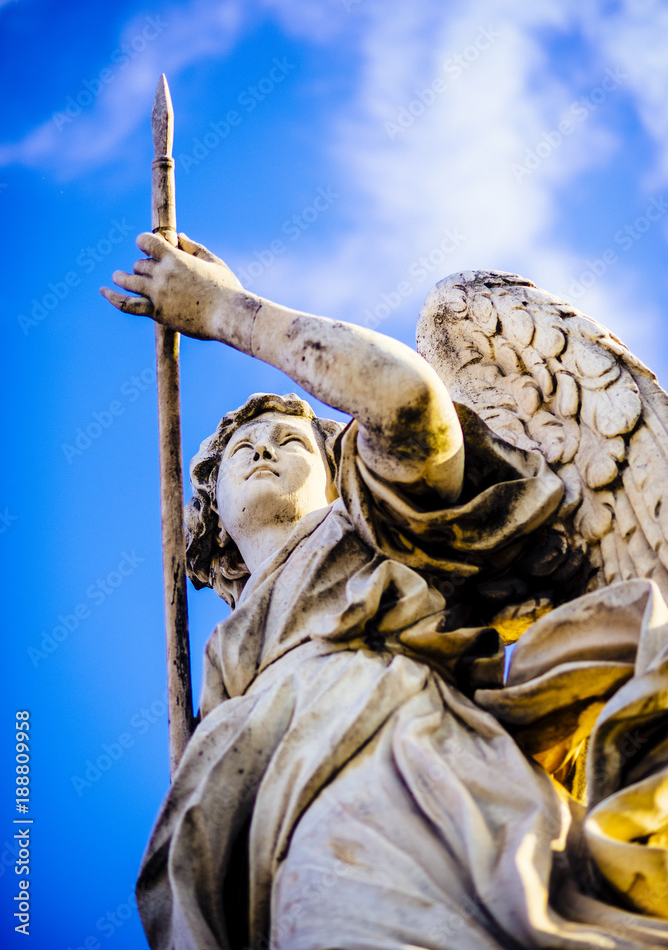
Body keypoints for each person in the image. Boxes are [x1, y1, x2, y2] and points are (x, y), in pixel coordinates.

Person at [103, 234, 668, 950]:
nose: (264, 449)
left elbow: (404, 400)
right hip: (263, 845)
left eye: (292, 441)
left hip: (398, 778)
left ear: (337, 472)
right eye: (243, 452)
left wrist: (223, 312)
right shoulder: (225, 660)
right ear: (210, 521)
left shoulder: (378, 525)